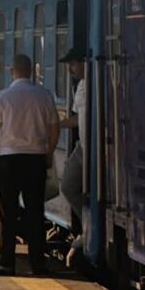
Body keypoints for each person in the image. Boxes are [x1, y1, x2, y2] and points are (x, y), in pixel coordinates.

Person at [0, 53, 59, 276]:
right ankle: (38, 264)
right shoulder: (45, 96)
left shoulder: (1, 97)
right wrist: (49, 153)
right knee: (35, 212)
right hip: (35, 159)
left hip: (8, 160)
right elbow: (54, 127)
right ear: (31, 71)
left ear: (12, 71)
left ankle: (6, 263)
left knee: (7, 213)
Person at [58, 47, 87, 266]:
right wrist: (57, 124)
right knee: (69, 186)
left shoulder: (95, 84)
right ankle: (87, 226)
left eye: (73, 64)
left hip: (92, 147)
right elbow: (79, 119)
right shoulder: (82, 86)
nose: (70, 69)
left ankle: (88, 228)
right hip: (83, 146)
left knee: (69, 185)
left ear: (85, 62)